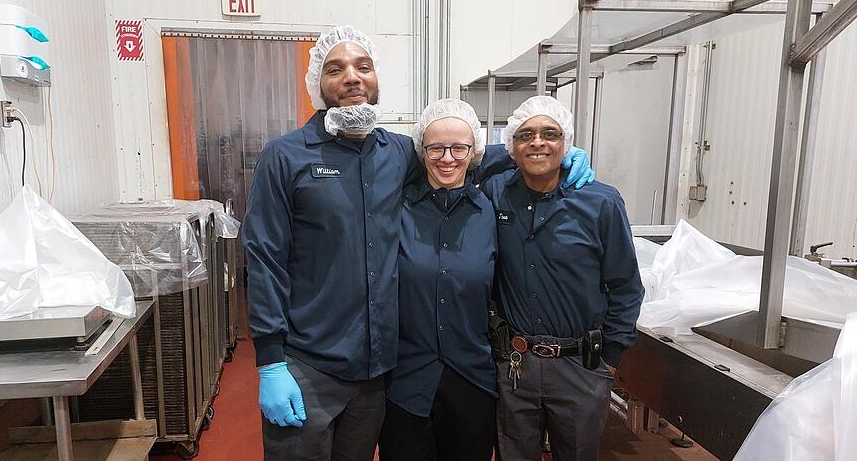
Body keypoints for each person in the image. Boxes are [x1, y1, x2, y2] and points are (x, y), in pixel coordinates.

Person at [244, 27, 593, 460]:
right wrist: (270, 360)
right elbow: (265, 257)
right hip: (307, 365)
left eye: (363, 66)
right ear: (318, 83)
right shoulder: (286, 157)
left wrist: (549, 156)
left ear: (376, 78)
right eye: (336, 69)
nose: (352, 77)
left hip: (375, 372)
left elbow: (460, 153)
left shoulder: (396, 152)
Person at [483, 96, 644, 461]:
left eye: (550, 134)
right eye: (525, 135)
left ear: (567, 142)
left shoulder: (600, 202)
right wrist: (515, 150)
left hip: (580, 366)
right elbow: (464, 157)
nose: (537, 142)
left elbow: (626, 286)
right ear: (511, 145)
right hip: (515, 365)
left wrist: (609, 357)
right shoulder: (497, 193)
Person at [378, 100, 498, 461]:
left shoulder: (491, 212)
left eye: (459, 147)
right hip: (405, 381)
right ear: (421, 151)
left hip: (472, 381)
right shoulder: (396, 209)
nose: (447, 158)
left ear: (474, 151)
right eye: (436, 148)